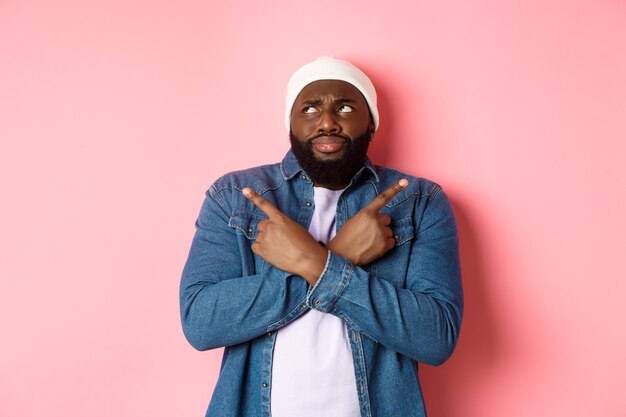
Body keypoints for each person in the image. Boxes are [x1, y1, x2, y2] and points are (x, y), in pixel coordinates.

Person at [180, 56, 463, 417]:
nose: (327, 121)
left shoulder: (419, 202)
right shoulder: (235, 196)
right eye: (310, 108)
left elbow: (435, 337)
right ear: (291, 125)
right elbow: (201, 324)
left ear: (371, 124)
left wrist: (315, 262)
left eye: (344, 107)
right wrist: (337, 256)